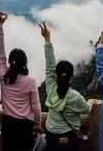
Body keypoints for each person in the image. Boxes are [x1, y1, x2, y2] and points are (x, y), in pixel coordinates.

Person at [39, 22, 95, 151]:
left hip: (51, 135)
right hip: (69, 137)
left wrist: (47, 39)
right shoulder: (75, 97)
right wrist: (90, 103)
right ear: (72, 77)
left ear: (56, 76)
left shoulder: (51, 88)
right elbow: (87, 110)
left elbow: (49, 66)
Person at [0, 12, 42, 151]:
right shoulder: (30, 81)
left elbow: (1, 52)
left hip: (8, 123)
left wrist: (0, 25)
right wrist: (38, 125)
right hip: (25, 125)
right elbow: (36, 107)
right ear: (25, 63)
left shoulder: (3, 75)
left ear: (9, 61)